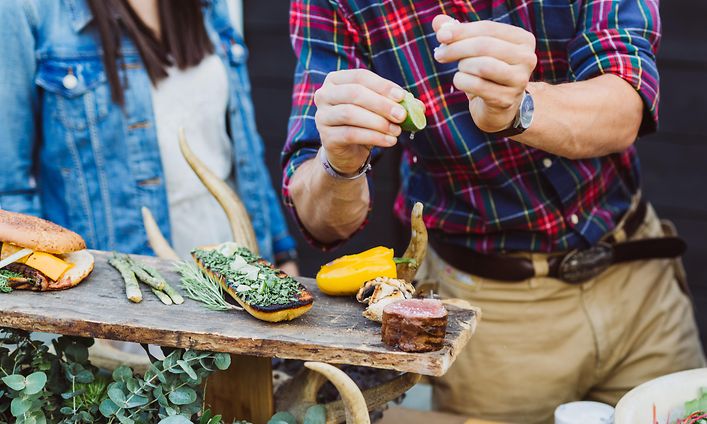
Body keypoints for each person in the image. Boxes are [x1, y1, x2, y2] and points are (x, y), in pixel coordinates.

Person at [282, 1, 704, 422]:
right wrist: (339, 161)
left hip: (639, 286)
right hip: (491, 316)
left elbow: (626, 103)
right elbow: (323, 220)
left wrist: (519, 108)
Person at [0, 0, 297, 272]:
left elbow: (242, 148)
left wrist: (282, 253)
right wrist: (61, 300)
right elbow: (11, 194)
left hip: (239, 269)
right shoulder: (27, 10)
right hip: (123, 294)